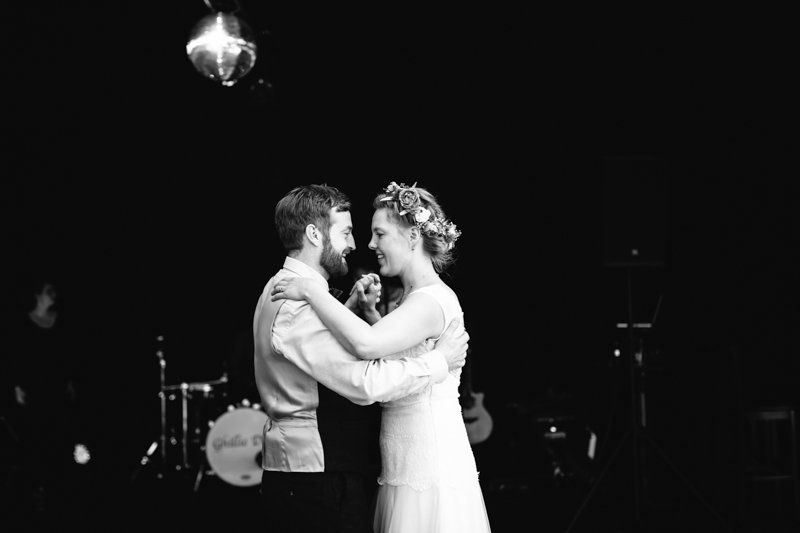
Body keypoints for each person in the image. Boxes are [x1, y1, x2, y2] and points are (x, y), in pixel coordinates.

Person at [272, 181, 491, 532]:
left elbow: (369, 347)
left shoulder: (430, 300)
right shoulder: (412, 299)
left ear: (412, 237)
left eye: (379, 234)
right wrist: (372, 315)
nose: (371, 244)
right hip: (402, 458)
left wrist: (314, 292)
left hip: (428, 462)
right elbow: (392, 352)